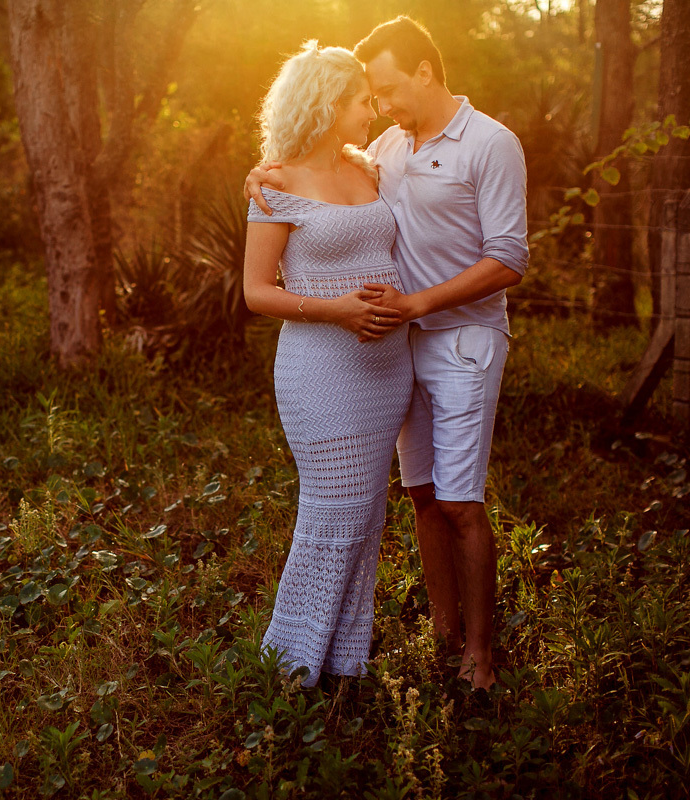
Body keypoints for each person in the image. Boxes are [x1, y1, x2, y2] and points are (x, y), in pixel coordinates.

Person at [247, 17, 528, 691]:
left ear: (424, 73)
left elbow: (509, 257)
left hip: (437, 347)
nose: (377, 107)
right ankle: (345, 650)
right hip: (359, 358)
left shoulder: (467, 146)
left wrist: (411, 306)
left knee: (437, 504)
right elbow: (266, 267)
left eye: (385, 91)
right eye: (366, 97)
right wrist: (262, 173)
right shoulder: (382, 149)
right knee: (385, 500)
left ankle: (456, 657)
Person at [242, 41, 414, 688]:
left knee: (367, 514)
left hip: (387, 370)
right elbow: (256, 292)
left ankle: (344, 658)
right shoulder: (276, 183)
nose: (372, 111)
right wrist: (336, 310)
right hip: (320, 371)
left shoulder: (370, 168)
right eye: (362, 101)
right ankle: (290, 661)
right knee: (333, 508)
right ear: (327, 104)